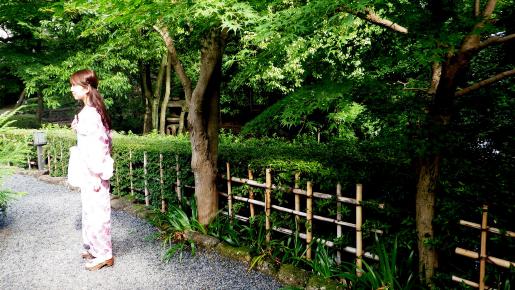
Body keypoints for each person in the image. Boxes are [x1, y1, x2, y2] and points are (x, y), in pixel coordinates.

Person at [68, 69, 114, 271]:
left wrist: (96, 174)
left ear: (86, 88)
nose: (71, 89)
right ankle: (95, 248)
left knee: (97, 214)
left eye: (74, 85)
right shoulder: (90, 112)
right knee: (90, 212)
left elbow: (98, 147)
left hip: (94, 173)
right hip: (90, 172)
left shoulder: (91, 114)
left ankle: (104, 254)